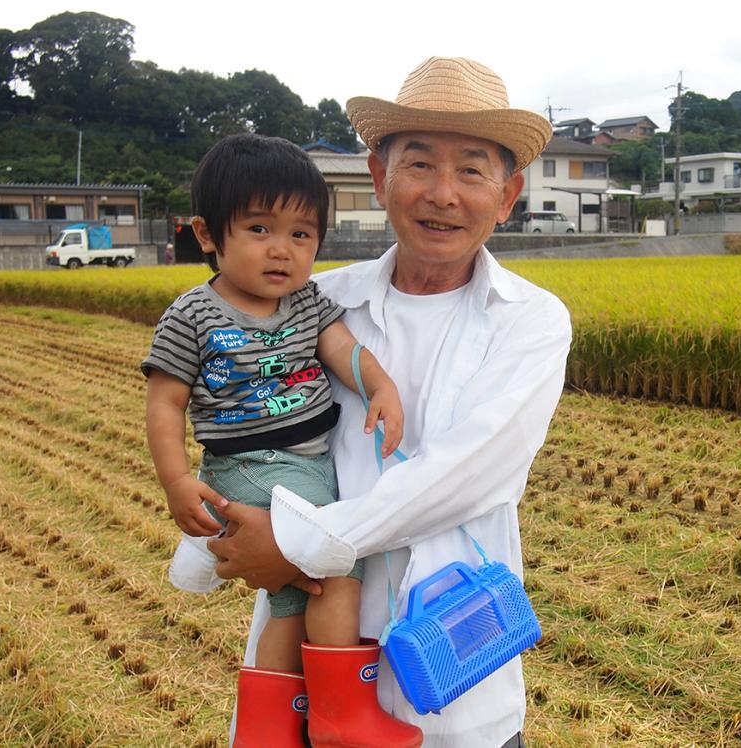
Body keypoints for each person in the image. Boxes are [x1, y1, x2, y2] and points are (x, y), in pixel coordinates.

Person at [196, 57, 571, 747]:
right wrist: (218, 534)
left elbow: (464, 476)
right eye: (421, 164)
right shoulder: (315, 304)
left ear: (509, 192)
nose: (444, 194)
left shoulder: (529, 319)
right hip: (304, 665)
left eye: (472, 171)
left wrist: (295, 545)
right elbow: (243, 428)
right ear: (379, 176)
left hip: (454, 690)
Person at [143, 133, 422, 747]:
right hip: (247, 464)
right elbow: (165, 402)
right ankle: (341, 713)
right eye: (260, 229)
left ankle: (270, 729)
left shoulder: (305, 302)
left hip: (309, 463)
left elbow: (341, 349)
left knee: (294, 601)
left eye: (301, 234)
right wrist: (176, 480)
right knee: (337, 563)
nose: (283, 250)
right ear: (208, 234)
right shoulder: (192, 315)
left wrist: (380, 386)